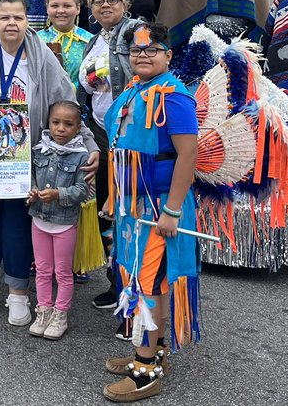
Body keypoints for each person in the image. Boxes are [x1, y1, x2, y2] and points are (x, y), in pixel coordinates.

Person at [0, 0, 99, 326]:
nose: (11, 23)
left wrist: (90, 145)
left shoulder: (41, 55)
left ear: (26, 19)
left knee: (19, 224)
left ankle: (18, 292)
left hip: (26, 159)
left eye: (18, 17)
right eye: (5, 17)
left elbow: (67, 104)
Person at [101, 23, 200, 403]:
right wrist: (115, 198)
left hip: (159, 207)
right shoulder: (135, 91)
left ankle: (145, 372)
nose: (142, 55)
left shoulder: (174, 97)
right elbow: (119, 147)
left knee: (149, 283)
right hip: (132, 208)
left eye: (151, 49)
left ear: (168, 55)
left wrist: (173, 210)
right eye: (136, 50)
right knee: (133, 276)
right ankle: (152, 350)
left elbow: (187, 154)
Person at [79, 0, 139, 312]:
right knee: (107, 209)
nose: (105, 5)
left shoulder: (134, 33)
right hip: (101, 133)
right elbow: (88, 87)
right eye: (98, 0)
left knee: (127, 212)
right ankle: (115, 282)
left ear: (125, 4)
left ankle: (130, 289)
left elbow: (143, 72)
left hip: (128, 135)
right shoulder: (94, 41)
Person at [28, 100, 91, 340]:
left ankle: (60, 313)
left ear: (78, 128)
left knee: (63, 272)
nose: (61, 129)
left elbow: (82, 191)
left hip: (65, 223)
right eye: (55, 123)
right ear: (48, 124)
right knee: (43, 270)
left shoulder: (81, 156)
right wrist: (33, 192)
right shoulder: (38, 150)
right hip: (39, 220)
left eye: (68, 124)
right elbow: (31, 178)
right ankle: (43, 310)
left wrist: (58, 194)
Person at [38, 0, 94, 89]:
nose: (60, 11)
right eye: (54, 6)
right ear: (47, 8)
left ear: (78, 8)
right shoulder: (36, 40)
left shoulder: (91, 41)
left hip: (80, 102)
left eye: (67, 6)